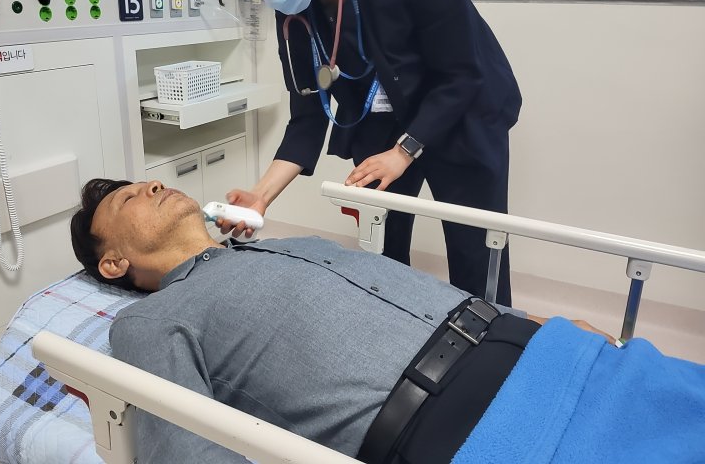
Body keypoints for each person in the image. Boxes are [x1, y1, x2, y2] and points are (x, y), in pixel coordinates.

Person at [70, 178, 705, 464]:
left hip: (553, 355)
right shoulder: (151, 322)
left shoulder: (288, 244)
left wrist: (535, 321)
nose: (153, 185)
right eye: (129, 198)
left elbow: (417, 292)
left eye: (147, 182)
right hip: (475, 430)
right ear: (114, 263)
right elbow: (186, 452)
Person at [208, 0, 522, 306]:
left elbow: (462, 75)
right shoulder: (292, 1)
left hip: (462, 108)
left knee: (477, 251)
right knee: (381, 252)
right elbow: (307, 116)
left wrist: (405, 151)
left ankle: (493, 338)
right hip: (382, 117)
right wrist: (260, 197)